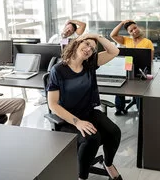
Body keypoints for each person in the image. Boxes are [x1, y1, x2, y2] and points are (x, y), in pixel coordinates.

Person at [47, 33, 123, 180]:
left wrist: (96, 36)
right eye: (86, 44)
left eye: (92, 48)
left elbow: (115, 51)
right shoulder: (58, 70)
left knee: (114, 132)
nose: (89, 49)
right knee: (92, 139)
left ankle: (108, 164)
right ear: (77, 43)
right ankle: (82, 177)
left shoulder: (90, 63)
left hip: (88, 112)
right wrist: (78, 122)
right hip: (68, 119)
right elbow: (53, 104)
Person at [110, 20, 154, 115]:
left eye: (135, 28)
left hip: (141, 70)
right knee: (120, 85)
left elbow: (150, 60)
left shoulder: (147, 42)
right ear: (128, 33)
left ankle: (139, 109)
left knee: (140, 88)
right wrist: (122, 23)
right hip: (128, 67)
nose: (134, 31)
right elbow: (112, 35)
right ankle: (119, 108)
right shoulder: (126, 40)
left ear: (138, 27)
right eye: (131, 30)